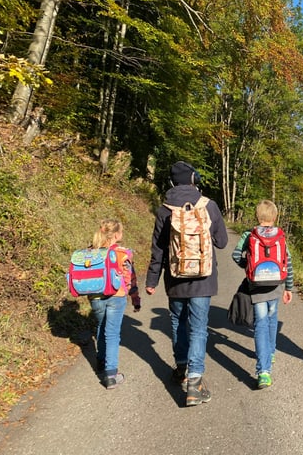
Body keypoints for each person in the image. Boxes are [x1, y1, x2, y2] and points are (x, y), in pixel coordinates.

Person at [145, 161, 228, 406]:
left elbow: (158, 250)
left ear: (172, 182)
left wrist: (152, 280)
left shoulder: (164, 210)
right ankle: (194, 382)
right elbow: (222, 242)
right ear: (195, 179)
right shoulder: (208, 206)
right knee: (199, 328)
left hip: (175, 278)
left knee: (178, 321)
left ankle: (181, 368)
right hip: (203, 278)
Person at [231, 200, 293, 389]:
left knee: (260, 323)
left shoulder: (249, 235)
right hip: (275, 286)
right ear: (274, 217)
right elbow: (287, 262)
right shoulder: (280, 236)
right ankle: (271, 353)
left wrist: (248, 268)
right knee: (272, 319)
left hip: (256, 286)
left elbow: (235, 255)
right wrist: (288, 287)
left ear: (258, 217)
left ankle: (263, 372)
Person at [89, 219, 141, 389]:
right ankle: (111, 374)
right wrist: (135, 299)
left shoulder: (91, 251)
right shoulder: (123, 253)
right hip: (116, 296)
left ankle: (101, 361)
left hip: (95, 296)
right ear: (117, 235)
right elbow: (130, 278)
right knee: (112, 333)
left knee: (101, 326)